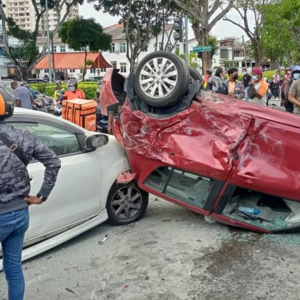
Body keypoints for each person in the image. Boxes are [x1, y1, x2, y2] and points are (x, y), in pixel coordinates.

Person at [0, 94, 61, 300]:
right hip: (19, 214)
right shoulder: (24, 137)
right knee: (14, 269)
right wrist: (41, 196)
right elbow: (53, 161)